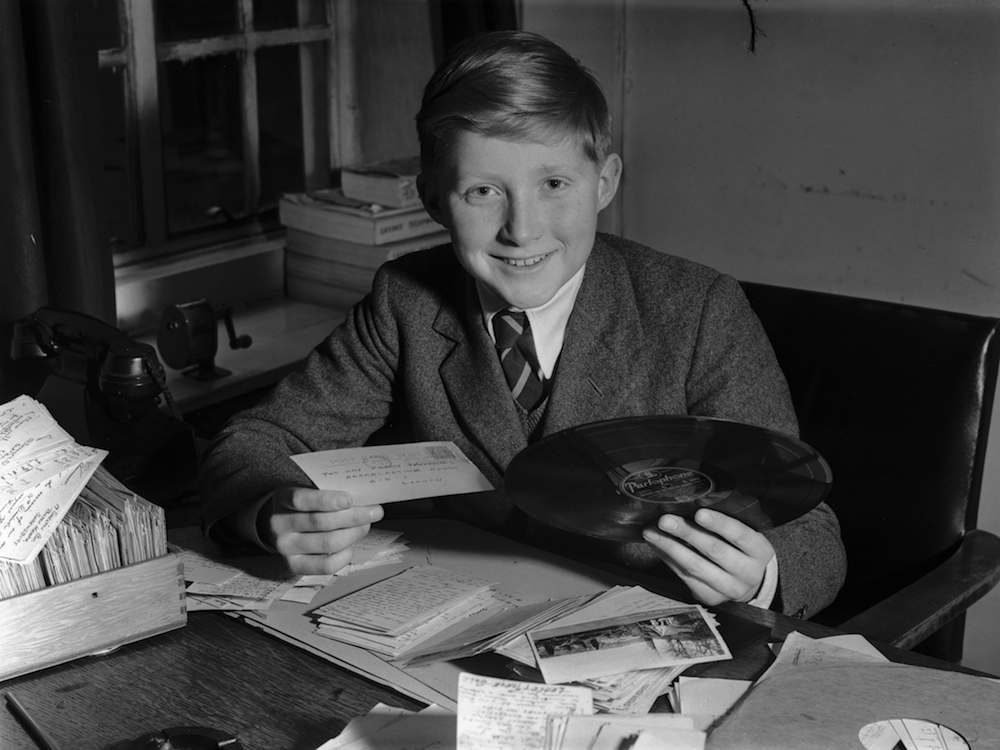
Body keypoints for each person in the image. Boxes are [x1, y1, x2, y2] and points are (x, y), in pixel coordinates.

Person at [199, 30, 846, 619]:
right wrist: (272, 512)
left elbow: (808, 531)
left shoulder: (701, 309)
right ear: (432, 199)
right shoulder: (407, 301)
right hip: (458, 628)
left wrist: (757, 575)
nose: (522, 229)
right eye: (483, 192)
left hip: (650, 639)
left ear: (606, 182)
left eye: (555, 183)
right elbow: (254, 445)